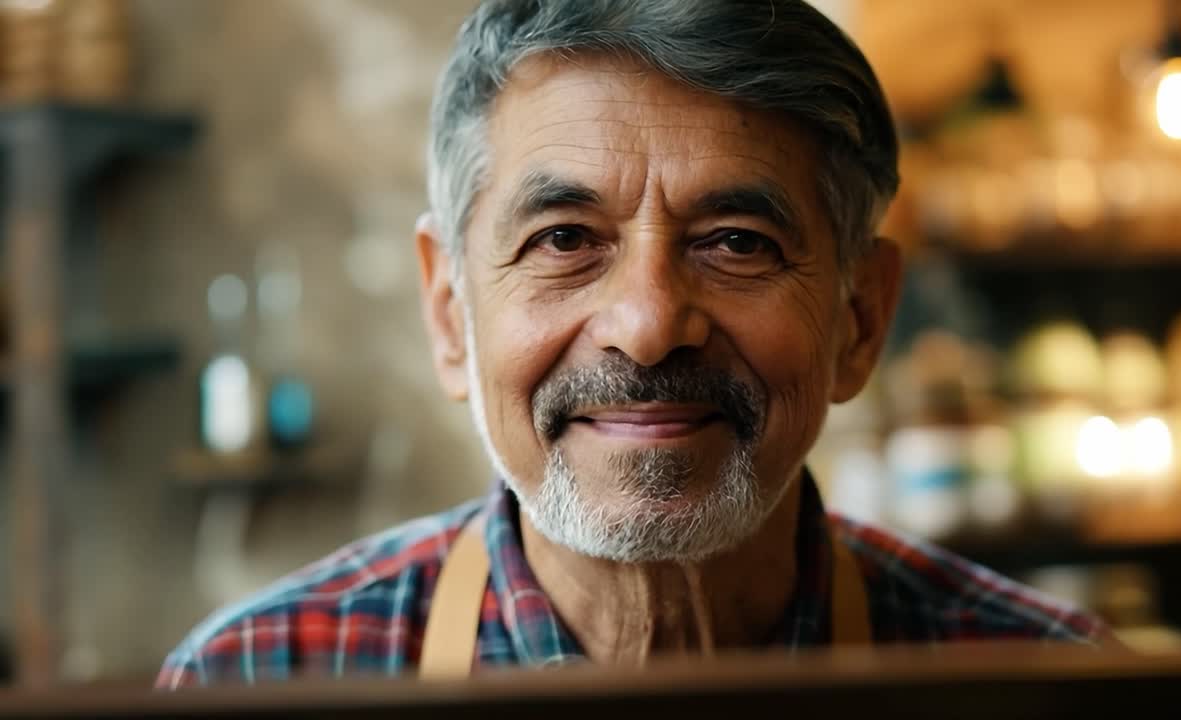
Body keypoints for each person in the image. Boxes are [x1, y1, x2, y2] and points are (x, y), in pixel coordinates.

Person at [157, 0, 1105, 688]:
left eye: (738, 243)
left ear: (860, 317)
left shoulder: (1058, 687)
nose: (649, 327)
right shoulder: (254, 683)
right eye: (565, 239)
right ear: (449, 311)